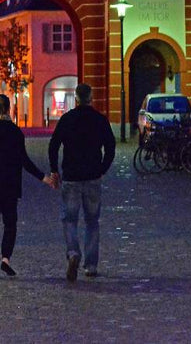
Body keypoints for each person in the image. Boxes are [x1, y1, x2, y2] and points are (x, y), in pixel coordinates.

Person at [0, 94, 52, 279]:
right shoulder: (15, 132)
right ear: (9, 109)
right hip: (10, 185)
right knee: (10, 223)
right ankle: (5, 258)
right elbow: (25, 161)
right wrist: (44, 178)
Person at [48, 83, 116, 281]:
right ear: (91, 98)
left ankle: (73, 253)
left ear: (76, 99)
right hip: (93, 176)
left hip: (71, 177)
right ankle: (91, 265)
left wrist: (54, 170)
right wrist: (102, 168)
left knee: (69, 219)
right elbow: (110, 148)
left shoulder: (67, 119)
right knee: (92, 221)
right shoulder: (99, 120)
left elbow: (53, 146)